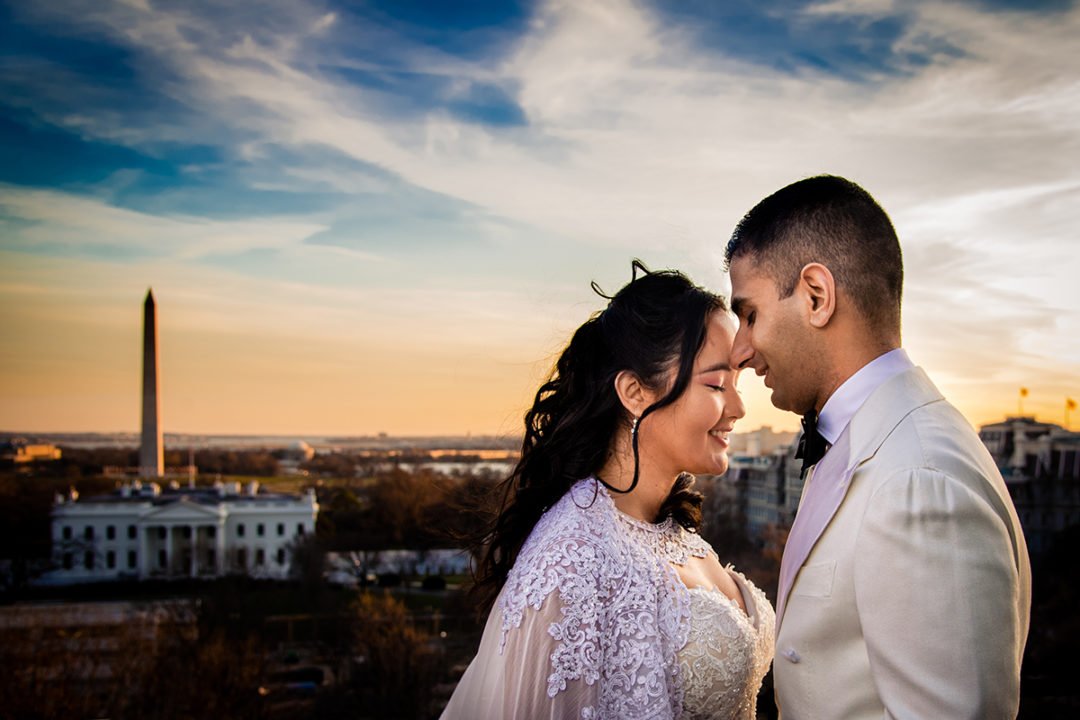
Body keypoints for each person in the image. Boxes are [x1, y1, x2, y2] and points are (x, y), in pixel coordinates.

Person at [725, 175, 1031, 719]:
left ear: (816, 297)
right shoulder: (867, 442)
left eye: (749, 315)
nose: (741, 350)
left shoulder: (920, 481)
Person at [441, 261, 774, 720]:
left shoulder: (669, 530)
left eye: (736, 383)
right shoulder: (570, 559)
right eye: (717, 383)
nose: (737, 407)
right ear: (635, 392)